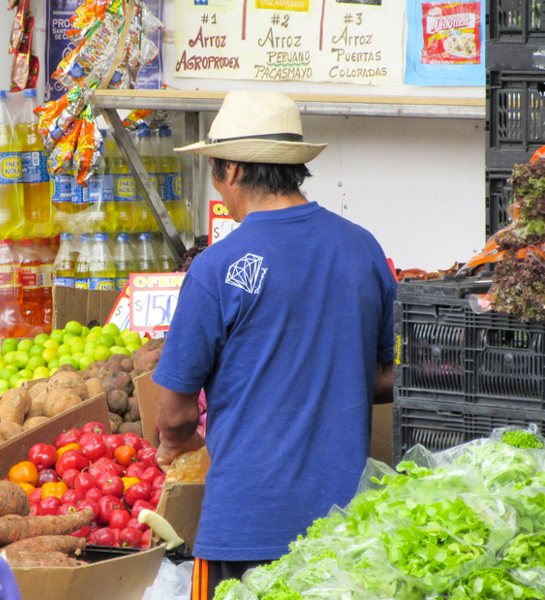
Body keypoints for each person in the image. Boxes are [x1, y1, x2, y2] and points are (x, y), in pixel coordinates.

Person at [151, 91, 396, 600]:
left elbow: (173, 413)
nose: (218, 189)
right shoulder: (363, 248)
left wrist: (178, 445)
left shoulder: (217, 268)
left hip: (244, 529)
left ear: (234, 171)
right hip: (346, 531)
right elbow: (385, 376)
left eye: (215, 173)